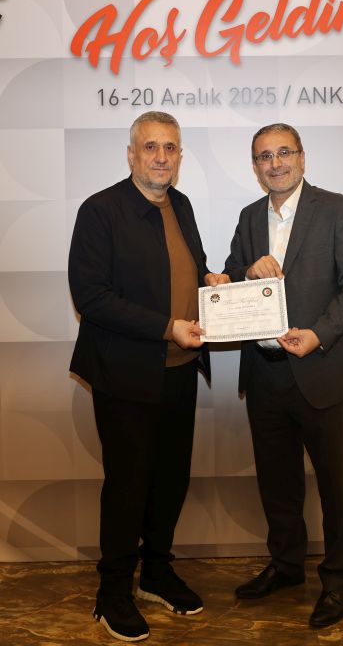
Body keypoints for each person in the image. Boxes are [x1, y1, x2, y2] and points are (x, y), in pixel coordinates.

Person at [68, 111, 227, 642]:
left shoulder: (181, 205)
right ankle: (113, 591)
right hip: (125, 374)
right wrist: (166, 327)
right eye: (151, 146)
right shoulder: (100, 211)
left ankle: (156, 573)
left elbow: (185, 270)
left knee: (170, 480)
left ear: (179, 157)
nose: (161, 156)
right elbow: (91, 296)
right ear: (132, 154)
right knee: (128, 484)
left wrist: (210, 281)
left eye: (170, 147)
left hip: (180, 371)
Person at [222, 123, 343, 628]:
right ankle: (286, 567)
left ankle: (337, 580)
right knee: (278, 484)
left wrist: (319, 335)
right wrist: (242, 273)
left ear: (302, 157)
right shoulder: (249, 217)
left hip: (322, 369)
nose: (276, 163)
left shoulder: (337, 209)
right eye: (265, 156)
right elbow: (231, 275)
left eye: (284, 152)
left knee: (335, 486)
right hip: (265, 375)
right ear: (255, 166)